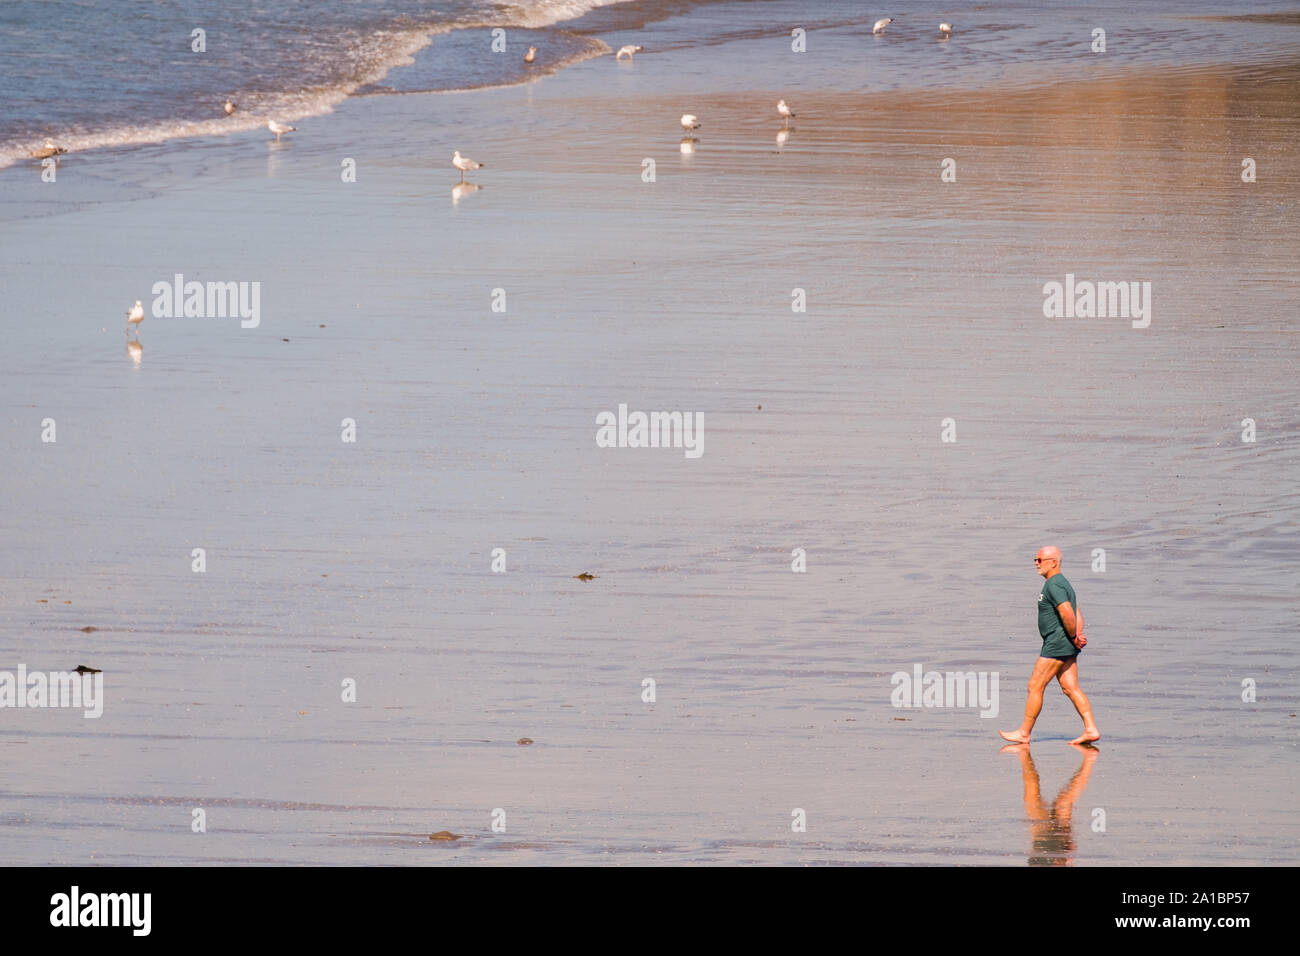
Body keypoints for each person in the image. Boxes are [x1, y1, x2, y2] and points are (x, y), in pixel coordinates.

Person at [999, 546, 1100, 745]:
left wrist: (1072, 636)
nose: (1036, 563)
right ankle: (1091, 729)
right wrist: (1077, 635)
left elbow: (1067, 613)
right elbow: (1077, 613)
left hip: (1057, 643)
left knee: (1035, 685)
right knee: (1070, 688)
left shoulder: (1054, 585)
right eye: (1035, 559)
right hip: (1065, 642)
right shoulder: (1063, 584)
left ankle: (1024, 733)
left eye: (1040, 560)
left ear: (1053, 562)